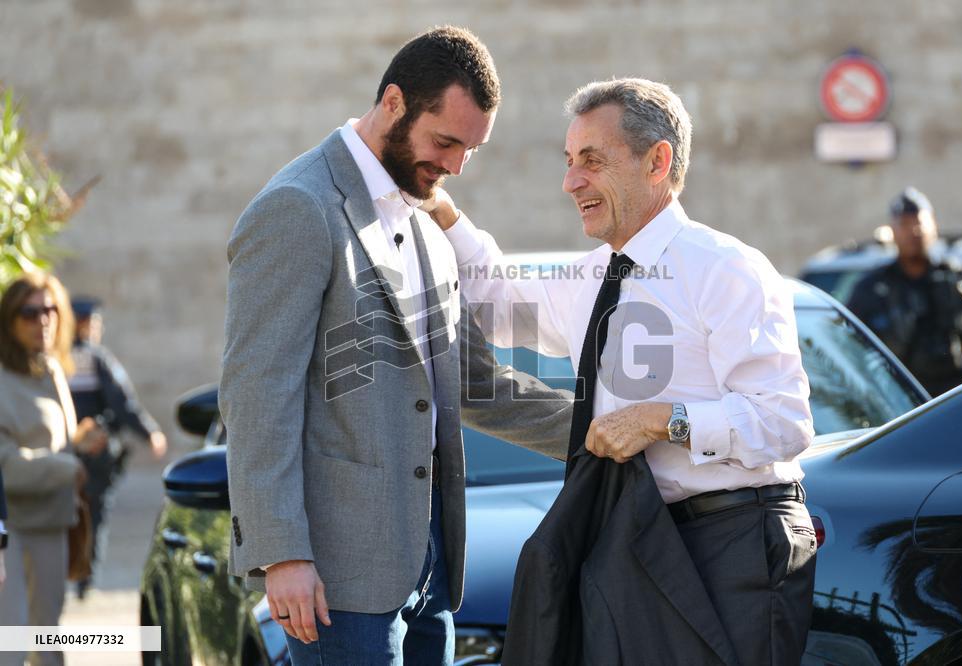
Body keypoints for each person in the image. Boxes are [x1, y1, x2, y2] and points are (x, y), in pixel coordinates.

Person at [423, 78, 817, 663]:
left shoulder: (726, 269)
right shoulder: (593, 277)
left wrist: (664, 422)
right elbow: (497, 302)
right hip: (633, 543)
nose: (571, 181)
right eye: (568, 162)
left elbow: (783, 423)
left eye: (592, 161)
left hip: (732, 544)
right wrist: (444, 212)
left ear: (657, 161)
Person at [220, 26, 573, 665]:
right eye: (446, 141)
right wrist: (283, 553)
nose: (456, 166)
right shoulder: (298, 209)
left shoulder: (426, 225)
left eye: (471, 148)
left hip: (430, 566)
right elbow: (256, 393)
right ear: (392, 103)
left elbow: (474, 384)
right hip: (338, 579)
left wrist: (607, 429)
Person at [0, 273, 108, 666]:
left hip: (54, 523)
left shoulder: (49, 369)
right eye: (29, 312)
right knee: (10, 645)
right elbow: (6, 466)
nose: (42, 320)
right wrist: (68, 465)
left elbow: (47, 437)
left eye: (50, 310)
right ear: (9, 320)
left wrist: (80, 439)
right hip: (11, 530)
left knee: (47, 641)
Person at [846, 187, 962, 397]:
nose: (914, 231)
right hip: (900, 408)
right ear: (893, 230)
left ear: (934, 225)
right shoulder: (872, 288)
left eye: (919, 222)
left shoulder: (960, 277)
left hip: (959, 400)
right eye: (905, 224)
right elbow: (849, 352)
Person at [66, 296, 167, 599]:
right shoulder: (96, 358)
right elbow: (122, 403)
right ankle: (85, 578)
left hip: (61, 455)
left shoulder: (54, 359)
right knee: (94, 515)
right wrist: (150, 433)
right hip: (94, 455)